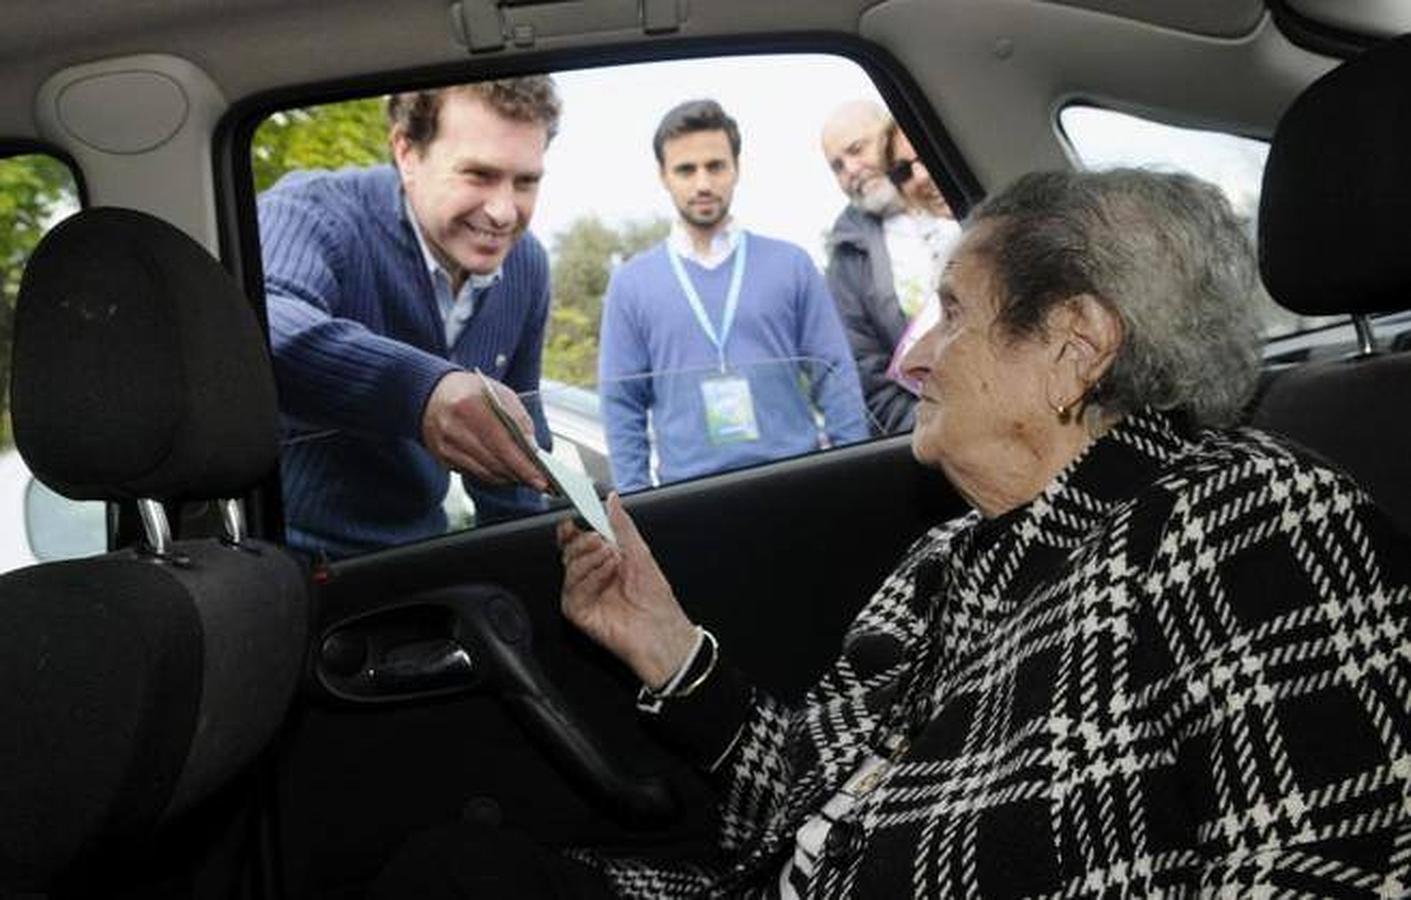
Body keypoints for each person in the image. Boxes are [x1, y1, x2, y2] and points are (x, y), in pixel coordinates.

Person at [558, 169, 1411, 896]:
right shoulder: (948, 555)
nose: (914, 357)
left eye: (952, 312)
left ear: (1076, 346)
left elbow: (1327, 860)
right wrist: (670, 652)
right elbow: (809, 813)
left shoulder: (1249, 517)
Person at [259, 77, 560, 558]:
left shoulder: (526, 264)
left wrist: (541, 558)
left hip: (420, 552)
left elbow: (517, 441)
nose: (505, 213)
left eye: (526, 181)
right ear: (407, 153)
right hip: (292, 561)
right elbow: (262, 323)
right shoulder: (315, 212)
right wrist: (426, 393)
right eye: (478, 175)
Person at [597, 99, 868, 492]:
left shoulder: (791, 263)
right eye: (686, 170)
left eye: (716, 166)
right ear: (663, 176)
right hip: (688, 498)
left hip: (799, 481)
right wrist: (638, 505)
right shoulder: (631, 283)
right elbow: (622, 405)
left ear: (736, 169)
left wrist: (855, 475)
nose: (703, 183)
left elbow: (834, 372)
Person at [820, 101, 959, 436]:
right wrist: (941, 430)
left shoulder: (959, 202)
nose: (850, 169)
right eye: (837, 166)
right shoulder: (847, 256)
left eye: (856, 150)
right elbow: (869, 376)